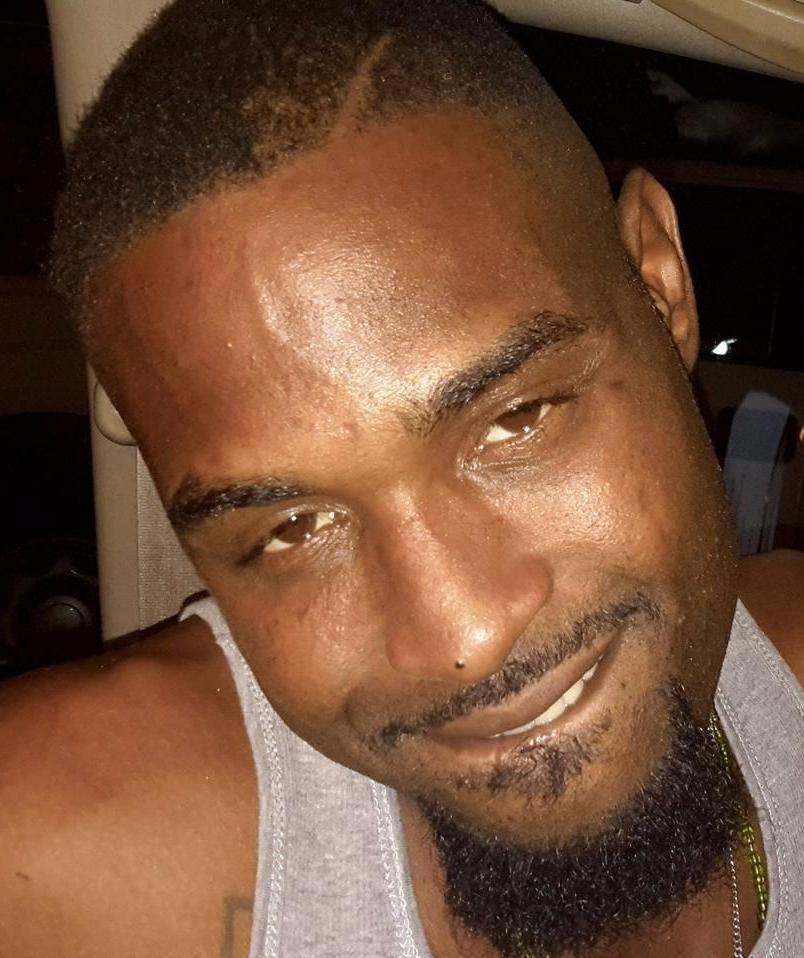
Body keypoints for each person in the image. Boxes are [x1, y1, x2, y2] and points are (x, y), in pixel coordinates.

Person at [1, 1, 802, 955]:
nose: (460, 638)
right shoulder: (58, 857)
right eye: (290, 529)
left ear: (659, 287)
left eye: (515, 421)